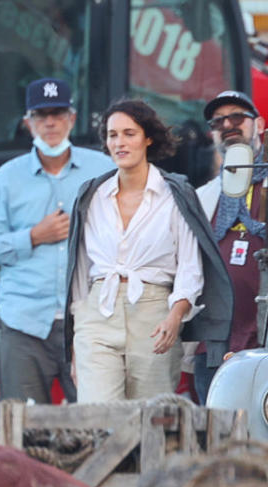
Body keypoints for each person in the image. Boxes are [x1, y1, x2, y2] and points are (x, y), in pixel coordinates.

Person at [65, 99, 232, 402]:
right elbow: (79, 271)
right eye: (112, 135)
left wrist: (174, 317)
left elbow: (190, 267)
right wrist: (76, 343)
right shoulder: (93, 195)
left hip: (155, 312)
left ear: (148, 138)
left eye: (129, 133)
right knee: (96, 418)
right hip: (98, 312)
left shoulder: (175, 194)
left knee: (149, 420)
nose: (120, 142)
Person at [0, 78, 115, 404]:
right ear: (28, 122)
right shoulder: (7, 177)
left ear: (72, 118)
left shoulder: (103, 169)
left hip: (88, 322)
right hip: (23, 323)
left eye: (58, 113)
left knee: (95, 428)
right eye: (41, 115)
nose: (50, 122)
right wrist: (33, 237)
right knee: (21, 431)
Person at [194, 90, 266, 403]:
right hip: (215, 344)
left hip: (262, 340)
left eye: (237, 116)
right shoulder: (203, 196)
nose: (228, 124)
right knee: (215, 441)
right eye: (219, 120)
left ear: (259, 125)